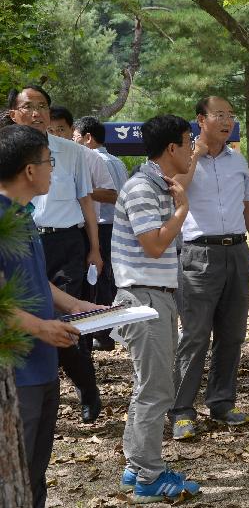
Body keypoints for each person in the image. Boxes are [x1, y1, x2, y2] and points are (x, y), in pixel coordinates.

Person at [0, 124, 99, 508]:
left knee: (35, 476)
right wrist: (41, 327)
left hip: (42, 368)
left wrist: (78, 307)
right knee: (13, 478)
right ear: (29, 170)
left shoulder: (24, 216)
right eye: (49, 162)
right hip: (16, 374)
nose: (53, 170)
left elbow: (36, 282)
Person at [111, 114, 201, 502]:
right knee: (156, 391)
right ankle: (149, 477)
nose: (192, 149)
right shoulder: (142, 188)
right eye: (188, 141)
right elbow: (153, 244)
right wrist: (182, 212)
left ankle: (137, 466)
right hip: (143, 298)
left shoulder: (158, 184)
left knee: (149, 387)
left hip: (155, 295)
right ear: (171, 148)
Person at [170, 96, 249, 440]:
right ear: (201, 119)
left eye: (231, 115)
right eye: (219, 115)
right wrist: (194, 154)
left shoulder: (237, 161)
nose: (227, 121)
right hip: (198, 254)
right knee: (195, 335)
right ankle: (181, 411)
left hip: (237, 251)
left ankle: (222, 402)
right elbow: (178, 187)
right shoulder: (184, 158)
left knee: (232, 334)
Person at [6, 86, 103, 424]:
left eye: (43, 106)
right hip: (18, 242)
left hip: (64, 243)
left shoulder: (70, 153)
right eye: (28, 106)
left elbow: (86, 200)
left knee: (63, 321)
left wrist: (94, 249)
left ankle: (86, 389)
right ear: (13, 114)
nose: (37, 113)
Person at [73, 116, 129, 350]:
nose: (72, 141)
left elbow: (110, 194)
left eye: (75, 137)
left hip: (101, 226)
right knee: (115, 279)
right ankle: (118, 329)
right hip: (119, 225)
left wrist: (77, 189)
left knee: (100, 280)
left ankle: (104, 334)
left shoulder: (93, 159)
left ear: (88, 138)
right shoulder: (118, 161)